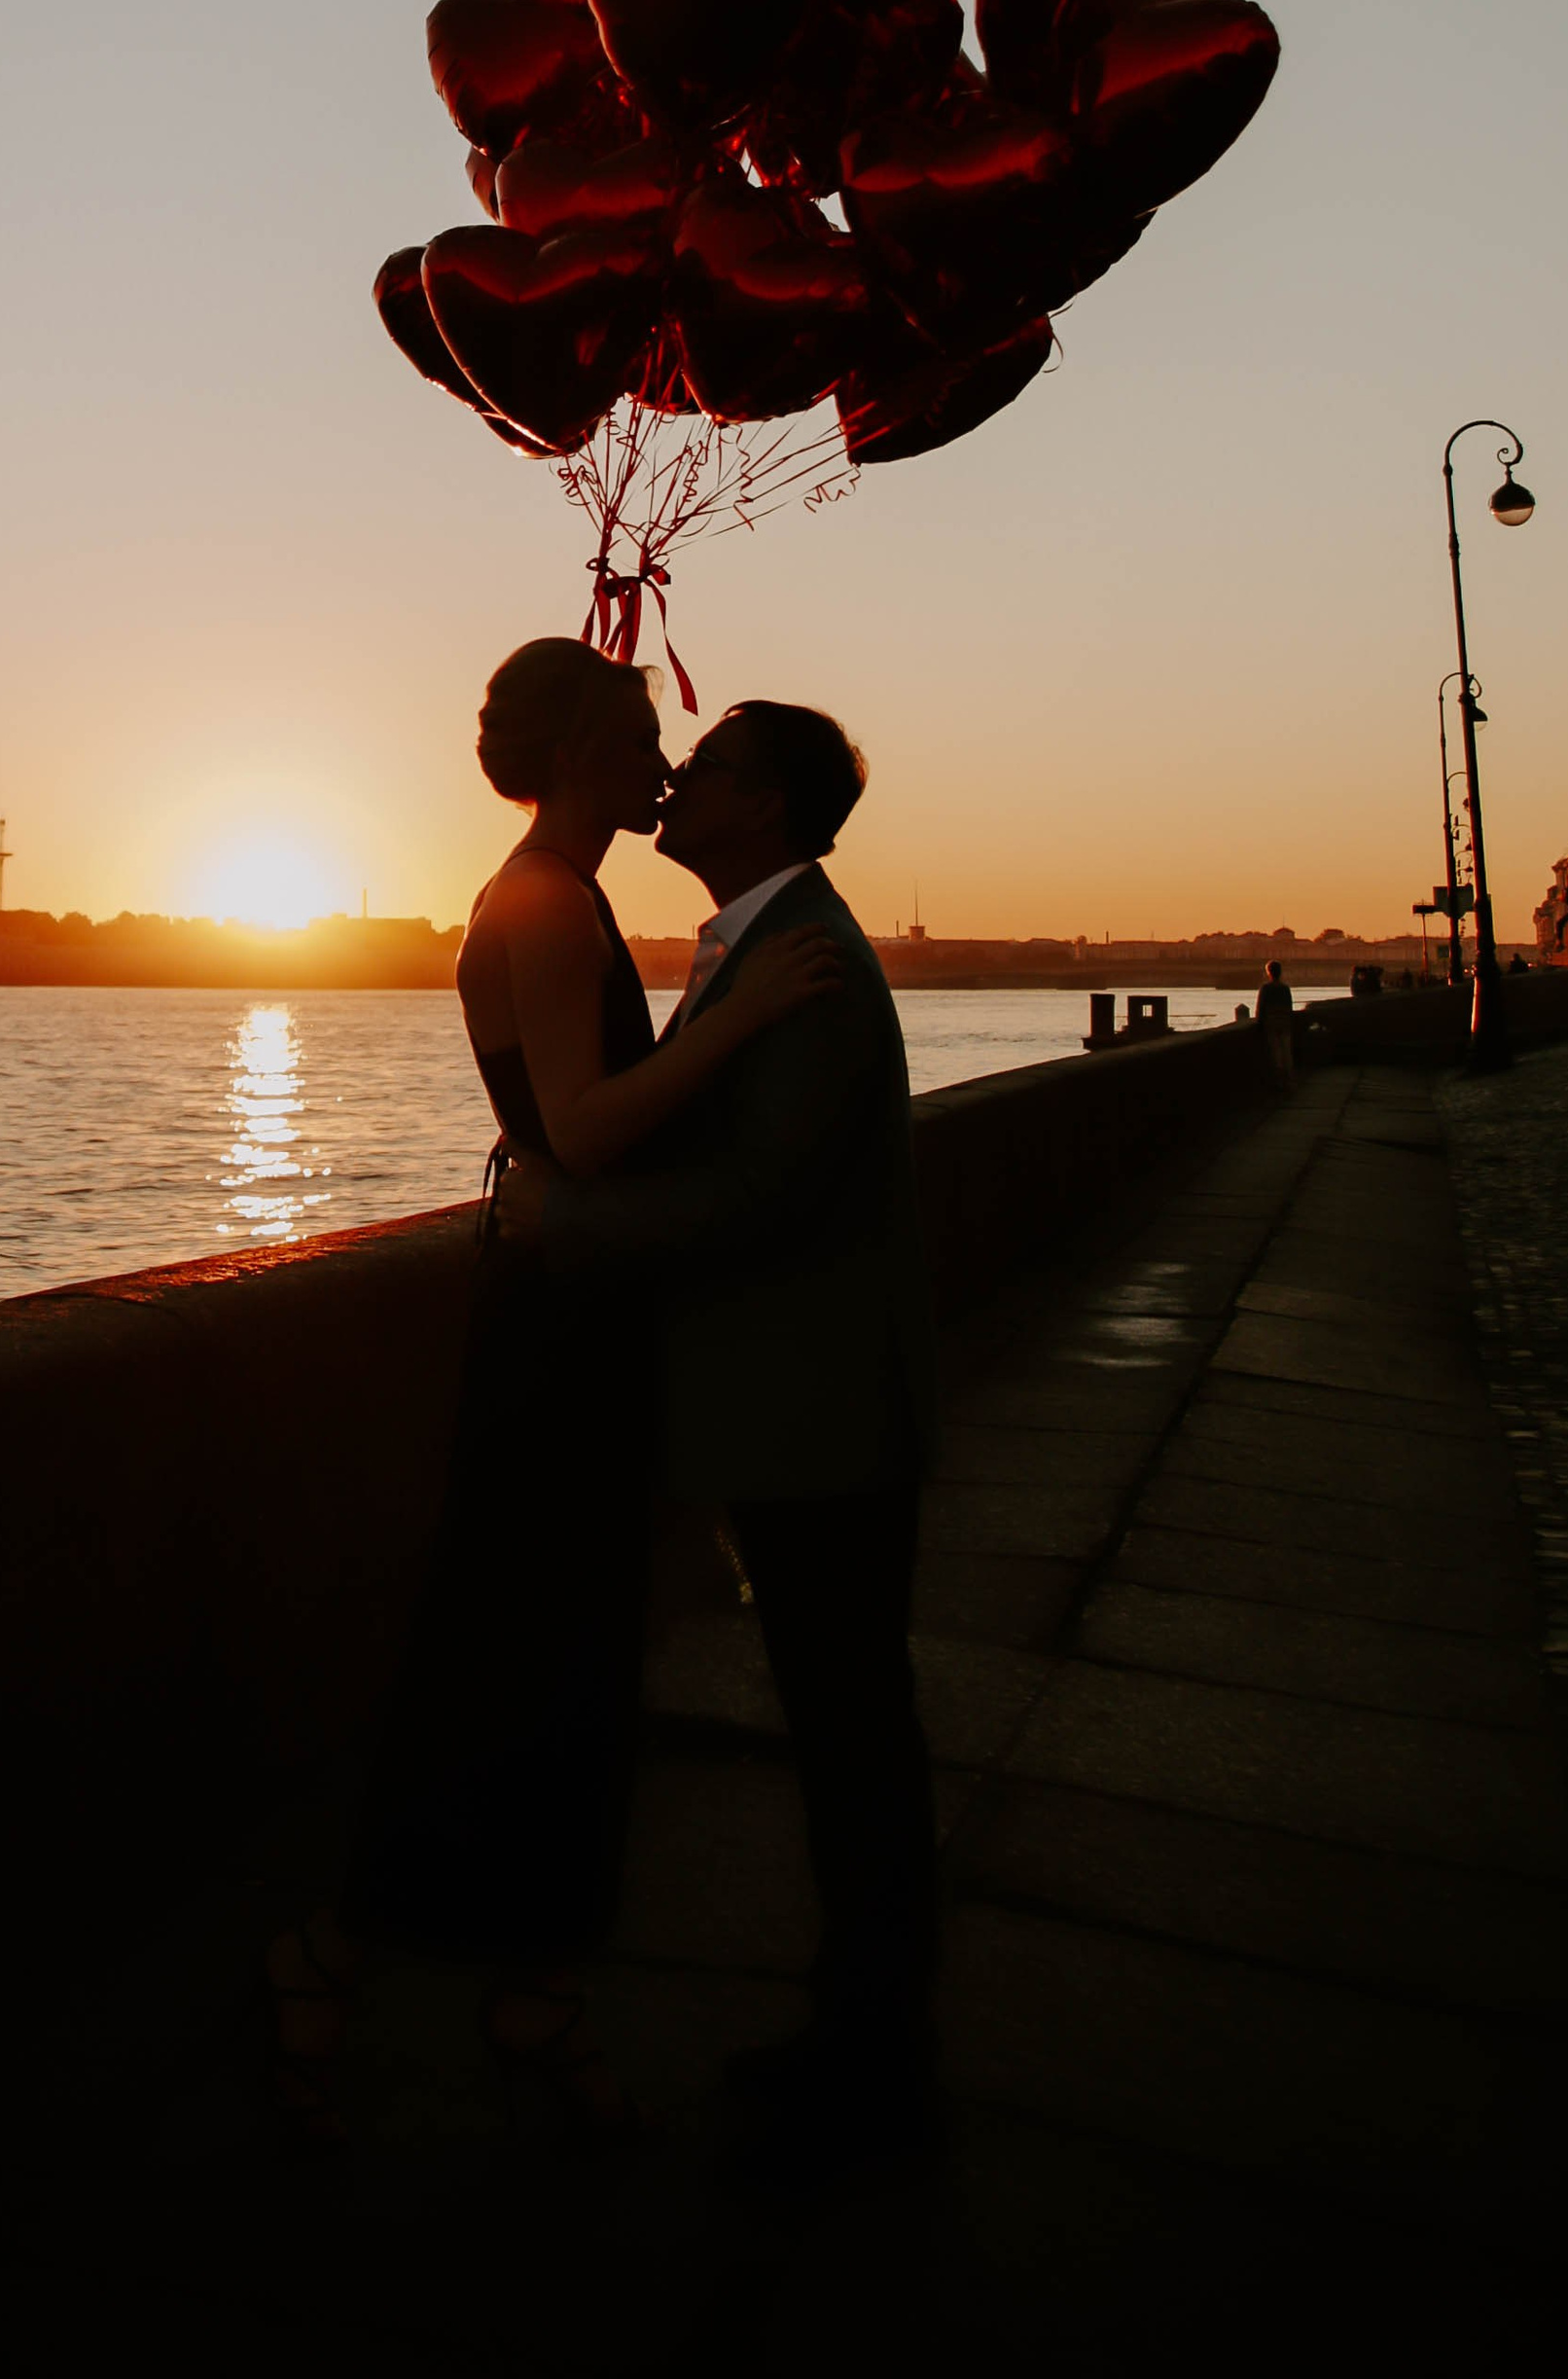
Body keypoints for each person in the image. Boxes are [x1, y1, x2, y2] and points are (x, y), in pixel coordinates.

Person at [266, 639, 842, 2138]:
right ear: (585, 751)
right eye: (646, 735)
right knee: (514, 1651)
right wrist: (741, 1019)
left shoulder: (560, 894)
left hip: (577, 1316)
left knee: (558, 1659)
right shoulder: (536, 900)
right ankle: (348, 1949)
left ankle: (527, 1978)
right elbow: (581, 1134)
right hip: (554, 1337)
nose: (666, 760)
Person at [499, 699, 941, 2187]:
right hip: (804, 1409)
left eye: (715, 765)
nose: (682, 777)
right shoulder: (761, 945)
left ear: (767, 809)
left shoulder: (805, 963)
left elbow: (764, 1194)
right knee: (845, 1727)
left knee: (853, 1735)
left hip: (824, 1420)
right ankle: (860, 2035)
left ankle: (874, 2061)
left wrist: (568, 1223)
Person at [1255, 957, 1297, 1086]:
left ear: (1269, 972)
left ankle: (1279, 1079)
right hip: (1285, 1023)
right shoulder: (1285, 988)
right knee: (1286, 1051)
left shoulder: (1265, 988)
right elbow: (1289, 1007)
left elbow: (1261, 1007)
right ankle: (1289, 1078)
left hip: (1271, 1023)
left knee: (1275, 1051)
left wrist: (1259, 1022)